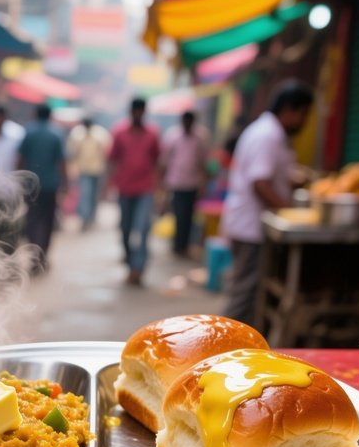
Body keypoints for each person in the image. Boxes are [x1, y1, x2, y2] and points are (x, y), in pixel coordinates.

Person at [221, 80, 314, 325]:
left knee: (250, 296)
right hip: (250, 228)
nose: (304, 122)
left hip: (249, 225)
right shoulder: (268, 135)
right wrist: (289, 212)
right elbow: (260, 183)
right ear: (290, 110)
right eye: (304, 114)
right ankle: (223, 345)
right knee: (243, 298)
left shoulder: (270, 133)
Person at [109, 97, 161, 286]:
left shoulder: (152, 134)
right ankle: (130, 261)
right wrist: (108, 185)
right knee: (125, 228)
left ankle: (138, 268)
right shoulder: (119, 132)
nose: (138, 114)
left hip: (145, 189)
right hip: (125, 189)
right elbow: (112, 159)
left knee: (143, 228)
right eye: (136, 111)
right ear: (131, 112)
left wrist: (160, 188)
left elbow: (157, 161)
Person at [17, 105, 67, 273]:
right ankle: (42, 254)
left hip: (31, 185)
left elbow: (20, 158)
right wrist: (65, 183)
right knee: (48, 221)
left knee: (32, 220)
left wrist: (18, 179)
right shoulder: (56, 133)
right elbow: (62, 162)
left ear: (35, 114)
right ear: (50, 115)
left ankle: (34, 255)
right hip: (50, 185)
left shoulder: (28, 132)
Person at [160, 110, 209, 256]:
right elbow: (165, 160)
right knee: (179, 214)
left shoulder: (200, 138)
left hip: (192, 184)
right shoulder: (173, 136)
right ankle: (178, 244)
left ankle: (184, 245)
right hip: (176, 183)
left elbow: (203, 162)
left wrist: (203, 184)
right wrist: (163, 184)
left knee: (188, 216)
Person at [66, 116, 111, 230]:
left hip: (97, 169)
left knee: (94, 195)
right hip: (83, 170)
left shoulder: (100, 134)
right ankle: (85, 218)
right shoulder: (77, 135)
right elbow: (72, 152)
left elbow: (106, 152)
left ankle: (91, 217)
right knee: (85, 194)